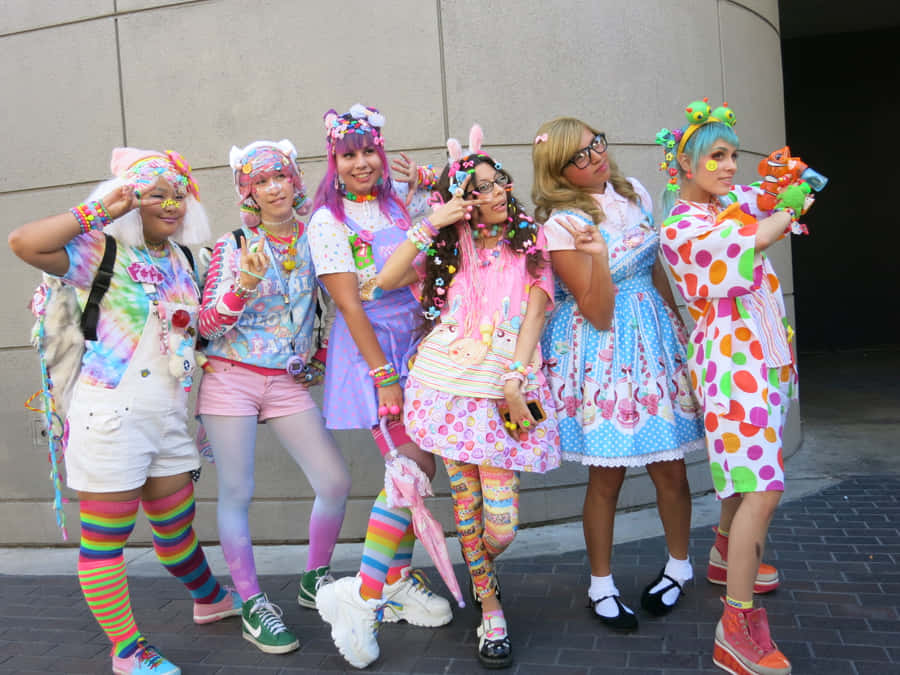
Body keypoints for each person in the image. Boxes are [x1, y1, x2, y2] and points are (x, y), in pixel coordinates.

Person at [8, 148, 241, 675]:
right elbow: (23, 242)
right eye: (154, 193)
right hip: (110, 416)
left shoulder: (184, 260)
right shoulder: (98, 250)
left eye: (178, 193)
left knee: (177, 530)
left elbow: (202, 326)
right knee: (106, 539)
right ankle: (127, 649)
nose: (170, 203)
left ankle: (211, 598)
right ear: (128, 201)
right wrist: (100, 212)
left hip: (167, 417)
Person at [374, 124, 561, 667]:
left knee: (499, 524)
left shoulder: (531, 240)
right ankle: (490, 607)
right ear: (461, 200)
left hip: (504, 391)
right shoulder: (446, 244)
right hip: (445, 390)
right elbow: (385, 279)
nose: (499, 191)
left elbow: (535, 311)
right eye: (479, 187)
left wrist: (516, 376)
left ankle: (484, 564)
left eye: (498, 180)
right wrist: (432, 221)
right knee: (465, 505)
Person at [531, 117, 705, 631]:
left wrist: (682, 329)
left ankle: (679, 566)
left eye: (596, 145)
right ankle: (600, 585)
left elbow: (656, 270)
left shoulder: (639, 196)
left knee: (670, 468)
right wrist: (601, 258)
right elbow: (598, 311)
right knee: (605, 476)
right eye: (579, 157)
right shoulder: (561, 225)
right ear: (559, 171)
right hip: (603, 352)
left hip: (654, 340)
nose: (595, 159)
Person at [655, 99, 805, 675]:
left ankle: (725, 554)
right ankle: (734, 627)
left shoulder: (730, 204)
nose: (730, 166)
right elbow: (753, 241)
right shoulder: (682, 229)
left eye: (733, 154)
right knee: (761, 486)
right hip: (729, 363)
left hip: (764, 358)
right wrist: (785, 210)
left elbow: (771, 196)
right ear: (686, 165)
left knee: (749, 479)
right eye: (716, 156)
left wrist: (790, 184)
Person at [306, 104, 452, 670]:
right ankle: (360, 600)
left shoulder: (402, 202)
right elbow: (348, 301)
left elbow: (438, 246)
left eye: (369, 151)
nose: (362, 162)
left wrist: (434, 186)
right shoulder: (326, 221)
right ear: (334, 161)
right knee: (409, 470)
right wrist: (383, 374)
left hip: (420, 343)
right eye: (349, 154)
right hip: (372, 354)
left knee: (421, 469)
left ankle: (396, 582)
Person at [196, 139, 351, 654]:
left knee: (334, 480)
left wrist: (321, 359)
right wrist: (243, 283)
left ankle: (314, 579)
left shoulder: (320, 236)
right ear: (249, 192)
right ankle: (253, 604)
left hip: (285, 382)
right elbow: (207, 321)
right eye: (261, 181)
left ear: (294, 180)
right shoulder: (233, 244)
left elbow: (338, 300)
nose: (273, 187)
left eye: (280, 176)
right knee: (238, 492)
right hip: (230, 377)